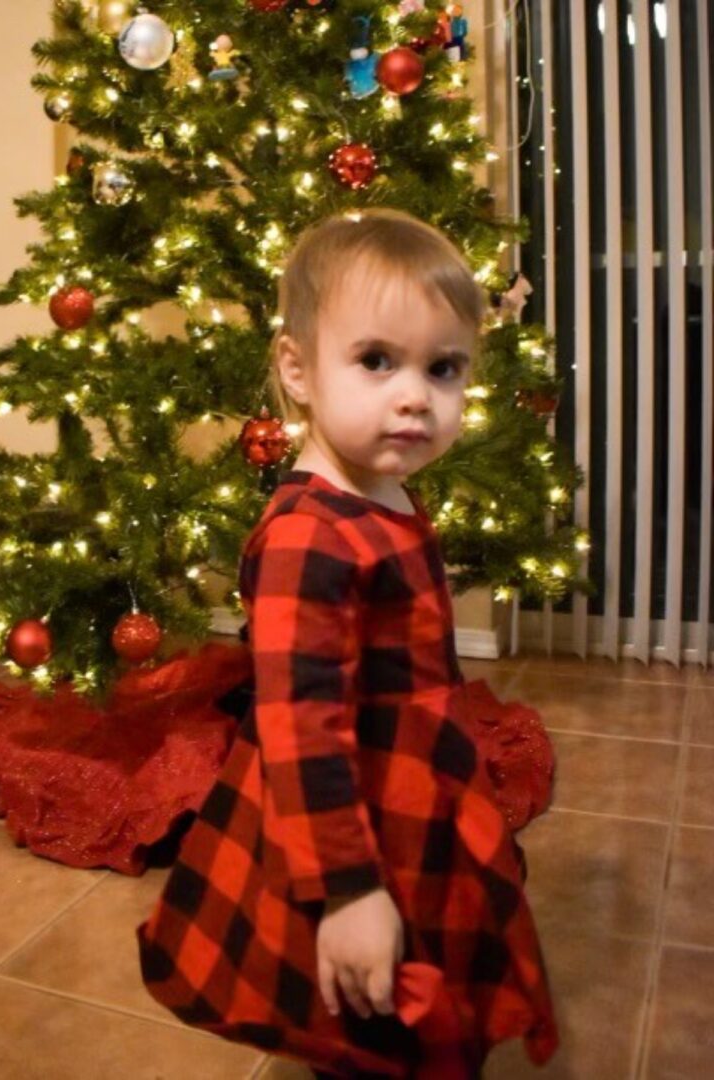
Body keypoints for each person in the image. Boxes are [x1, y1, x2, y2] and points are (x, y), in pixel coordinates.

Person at [137, 209, 558, 1077]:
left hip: (412, 784)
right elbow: (299, 729)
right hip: (353, 816)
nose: (416, 396)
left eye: (444, 369)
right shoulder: (308, 538)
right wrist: (351, 891)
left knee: (420, 995)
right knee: (373, 1015)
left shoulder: (385, 489)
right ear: (297, 369)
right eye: (377, 361)